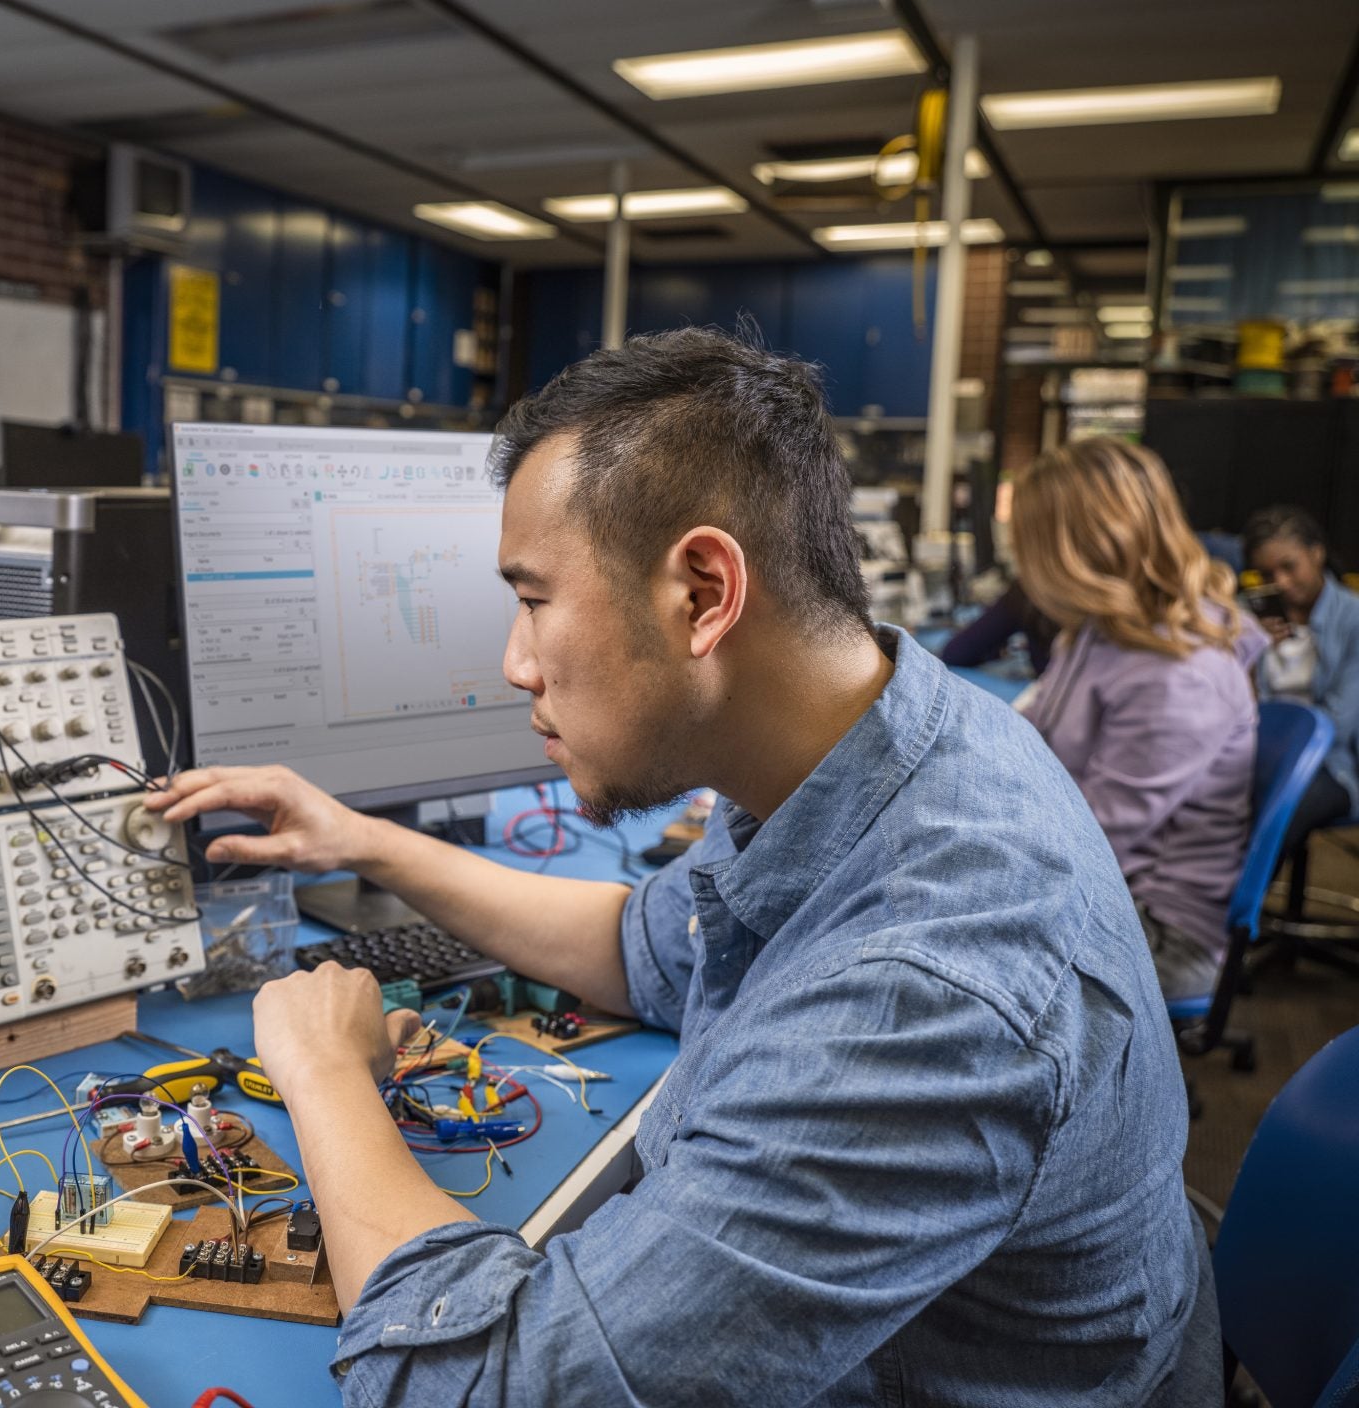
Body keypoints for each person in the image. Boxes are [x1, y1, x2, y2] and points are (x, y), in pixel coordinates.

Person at [147, 330, 1217, 1406]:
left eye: (532, 599)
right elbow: (641, 947)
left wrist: (326, 1075)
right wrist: (366, 841)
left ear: (703, 591)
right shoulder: (884, 741)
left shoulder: (923, 987)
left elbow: (487, 1385)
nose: (515, 662)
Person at [1008, 438, 1265, 1003]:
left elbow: (1093, 842)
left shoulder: (1181, 675)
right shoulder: (1097, 634)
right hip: (1104, 883)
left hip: (1156, 927)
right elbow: (1028, 733)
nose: (1020, 566)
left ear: (1075, 551)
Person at [1241, 505, 1358, 892]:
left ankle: (1236, 915)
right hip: (1251, 755)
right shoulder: (1248, 620)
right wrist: (1248, 652)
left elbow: (1337, 725)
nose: (1282, 583)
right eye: (1268, 574)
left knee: (1280, 803)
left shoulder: (1353, 620)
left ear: (1317, 553)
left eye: (1290, 567)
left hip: (1329, 765)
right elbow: (1230, 707)